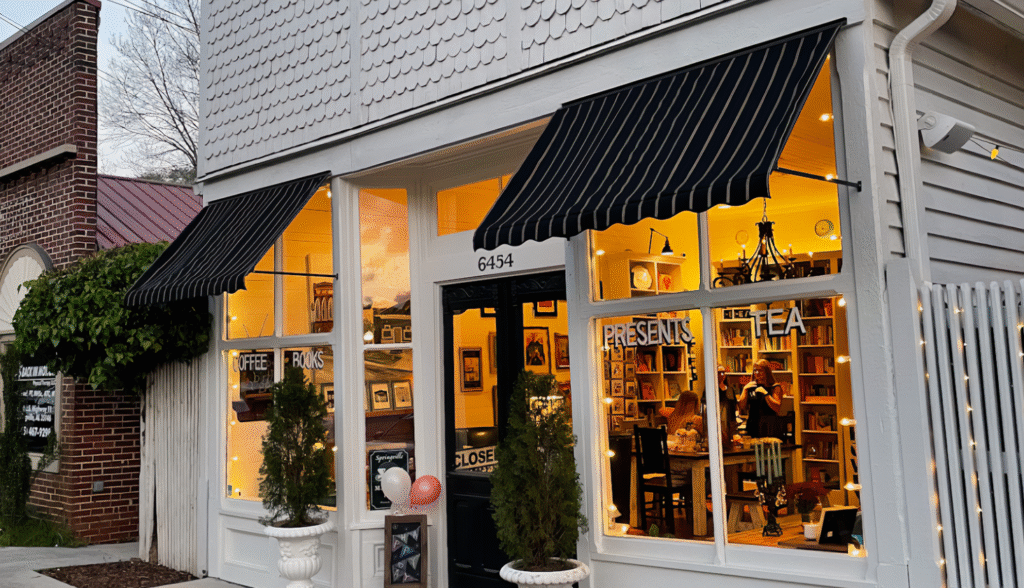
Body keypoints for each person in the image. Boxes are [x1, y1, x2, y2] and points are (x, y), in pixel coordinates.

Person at [738, 359, 784, 438]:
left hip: (769, 425)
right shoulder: (751, 386)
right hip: (753, 424)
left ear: (767, 372)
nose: (757, 373)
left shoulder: (775, 387)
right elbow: (741, 406)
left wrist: (765, 394)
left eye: (760, 371)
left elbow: (777, 407)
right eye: (755, 371)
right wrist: (745, 389)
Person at [716, 364, 738, 443]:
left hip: (730, 422)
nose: (721, 375)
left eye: (723, 372)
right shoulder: (712, 390)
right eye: (719, 373)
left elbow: (734, 406)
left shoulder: (729, 389)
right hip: (718, 422)